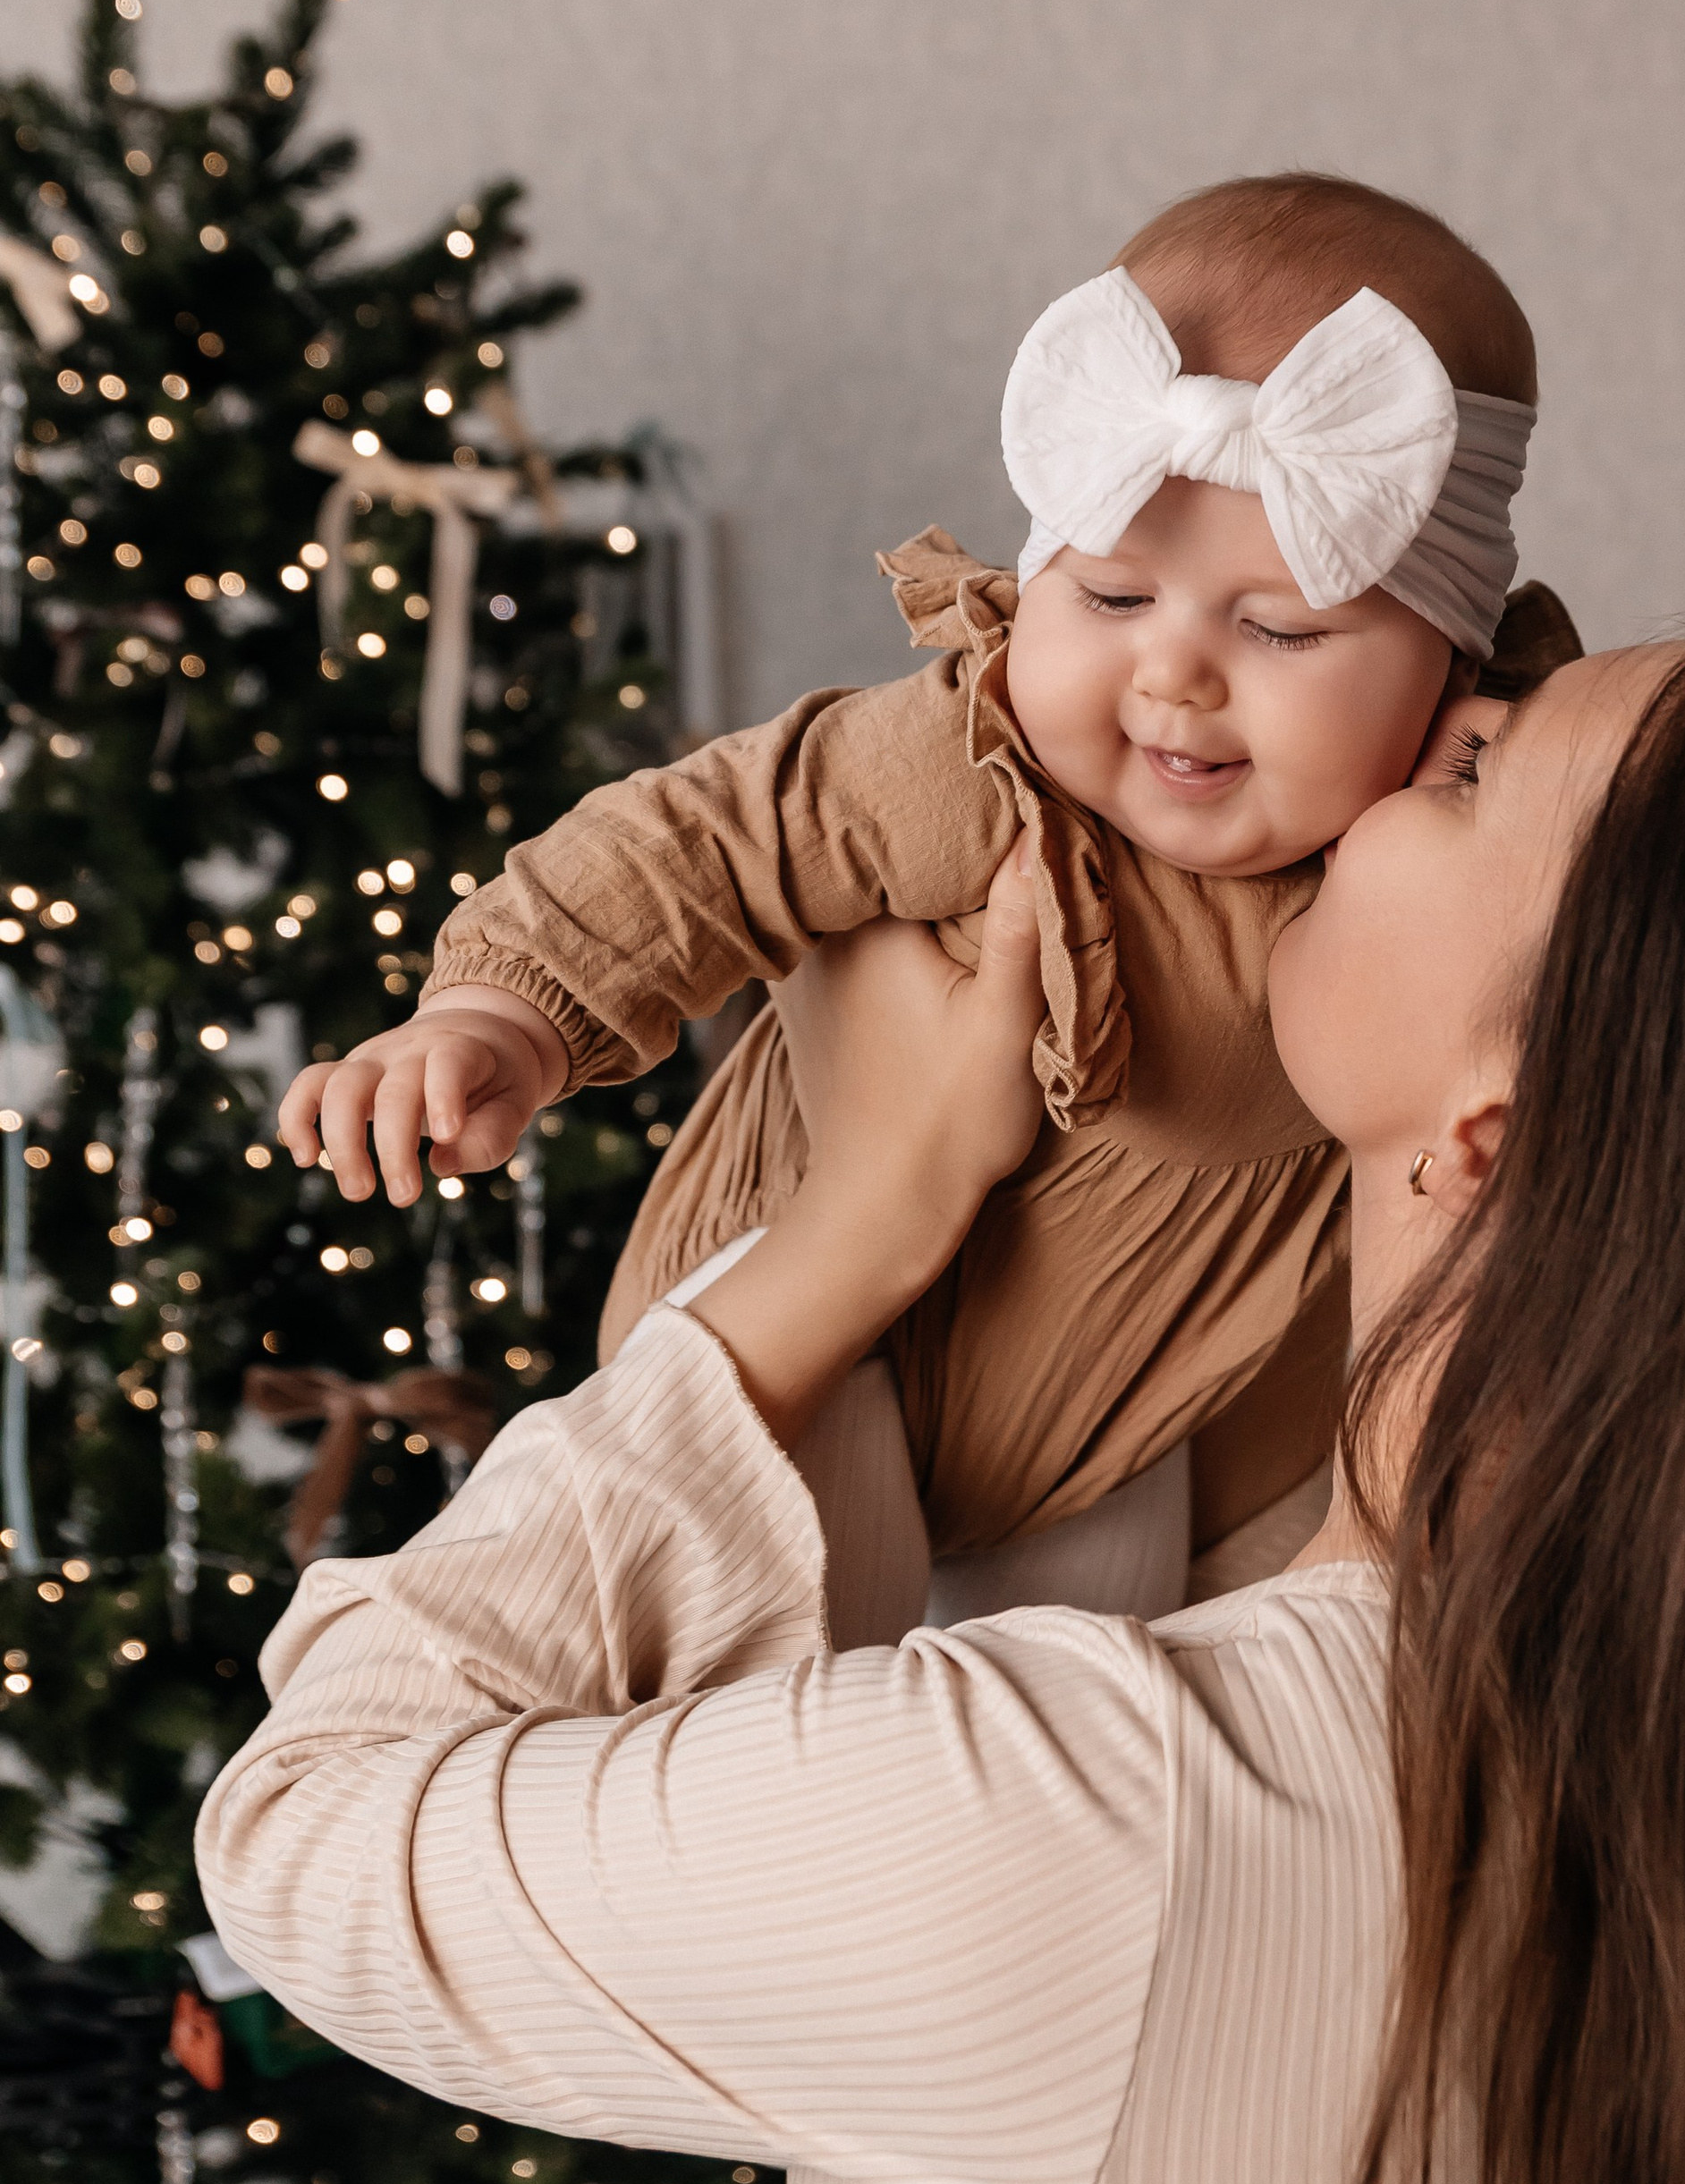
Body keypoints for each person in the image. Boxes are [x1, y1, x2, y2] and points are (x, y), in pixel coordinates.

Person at [205, 597, 1685, 2184]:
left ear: (1495, 1129)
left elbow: (310, 1834)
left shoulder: (1131, 1824)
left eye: (1478, 767)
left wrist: (856, 1220)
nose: (1431, 708)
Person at [281, 172, 1579, 1633]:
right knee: (816, 1691)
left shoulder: (1460, 833)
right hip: (827, 1351)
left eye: (1279, 626)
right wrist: (499, 1017)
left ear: (1457, 661)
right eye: (1109, 597)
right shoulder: (989, 770)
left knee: (1134, 1710)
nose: (1175, 677)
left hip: (1129, 1417)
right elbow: (709, 837)